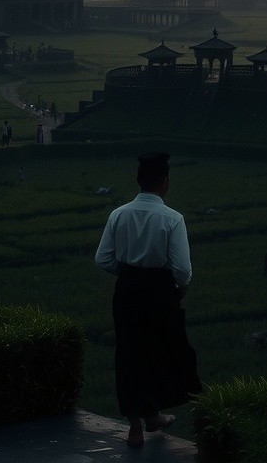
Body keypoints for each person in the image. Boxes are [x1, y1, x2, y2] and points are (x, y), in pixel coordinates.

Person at [95, 152, 201, 448]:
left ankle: (138, 425)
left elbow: (103, 258)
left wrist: (128, 274)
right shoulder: (172, 218)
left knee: (130, 353)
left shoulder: (119, 214)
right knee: (168, 350)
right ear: (165, 183)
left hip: (127, 292)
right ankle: (175, 412)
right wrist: (180, 287)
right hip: (160, 293)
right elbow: (181, 267)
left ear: (138, 180)